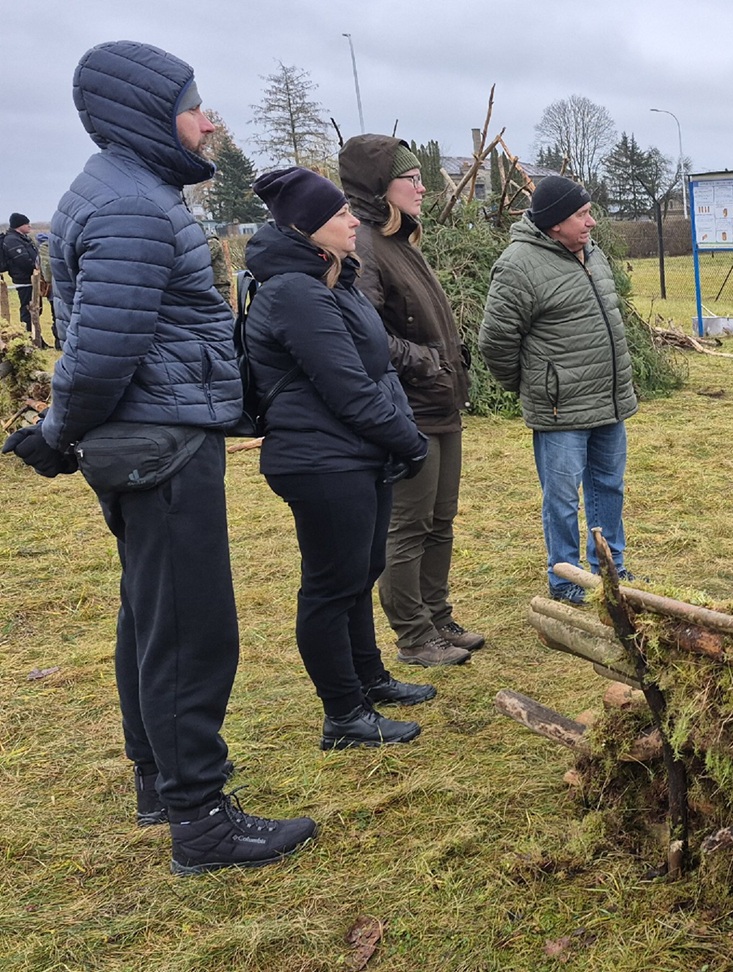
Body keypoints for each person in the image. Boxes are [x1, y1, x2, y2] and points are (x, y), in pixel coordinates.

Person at [0, 40, 316, 875]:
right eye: (194, 105)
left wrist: (65, 432)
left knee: (151, 616)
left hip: (150, 437)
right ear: (146, 114)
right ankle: (201, 817)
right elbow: (102, 353)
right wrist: (60, 432)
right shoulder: (135, 207)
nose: (210, 121)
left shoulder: (124, 193)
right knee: (189, 629)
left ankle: (160, 782)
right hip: (159, 444)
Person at [244, 166, 445, 750]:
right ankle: (343, 715)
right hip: (321, 461)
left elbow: (376, 364)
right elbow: (348, 387)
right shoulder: (296, 293)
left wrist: (393, 440)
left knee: (361, 575)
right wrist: (408, 441)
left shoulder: (335, 279)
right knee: (331, 586)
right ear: (307, 227)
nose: (353, 221)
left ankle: (369, 679)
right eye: (339, 215)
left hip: (357, 454)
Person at [339, 135, 482, 665]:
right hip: (410, 409)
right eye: (411, 178)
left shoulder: (402, 240)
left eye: (422, 177)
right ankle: (414, 636)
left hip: (442, 404)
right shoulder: (369, 248)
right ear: (380, 187)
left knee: (441, 520)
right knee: (409, 525)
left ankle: (438, 617)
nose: (423, 187)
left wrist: (449, 365)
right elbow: (367, 335)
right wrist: (430, 362)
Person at [479, 176, 637, 605]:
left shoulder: (592, 253)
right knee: (563, 500)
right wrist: (531, 385)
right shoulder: (518, 265)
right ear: (554, 225)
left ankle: (612, 569)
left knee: (609, 489)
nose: (591, 222)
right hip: (559, 411)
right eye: (581, 215)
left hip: (608, 401)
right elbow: (495, 340)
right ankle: (566, 579)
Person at [2, 213, 39, 345]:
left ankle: (36, 337)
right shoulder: (12, 240)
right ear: (19, 225)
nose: (29, 225)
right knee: (28, 309)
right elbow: (23, 261)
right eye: (26, 223)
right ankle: (29, 338)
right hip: (24, 280)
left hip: (31, 279)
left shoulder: (23, 238)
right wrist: (36, 268)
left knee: (35, 308)